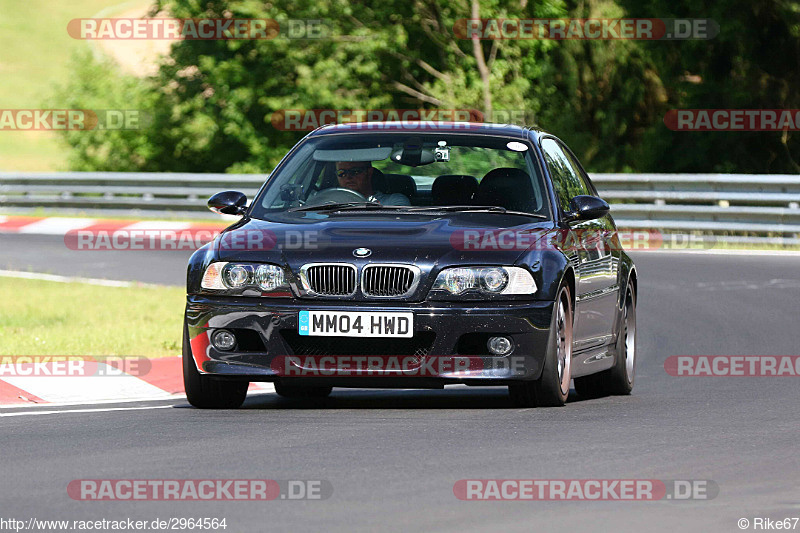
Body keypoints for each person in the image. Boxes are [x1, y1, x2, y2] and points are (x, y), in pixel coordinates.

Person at [335, 161, 411, 206]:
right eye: (341, 173)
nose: (348, 177)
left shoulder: (393, 201)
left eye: (355, 171)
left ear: (369, 172)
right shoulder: (330, 204)